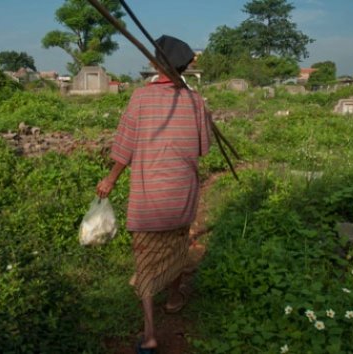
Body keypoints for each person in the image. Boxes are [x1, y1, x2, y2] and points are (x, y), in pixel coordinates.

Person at [96, 35, 210, 353]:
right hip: (182, 195)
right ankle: (174, 297)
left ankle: (149, 333)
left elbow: (124, 147)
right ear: (185, 66)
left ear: (154, 64)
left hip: (149, 198)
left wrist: (111, 179)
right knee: (175, 247)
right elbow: (203, 148)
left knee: (146, 259)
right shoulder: (196, 101)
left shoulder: (140, 99)